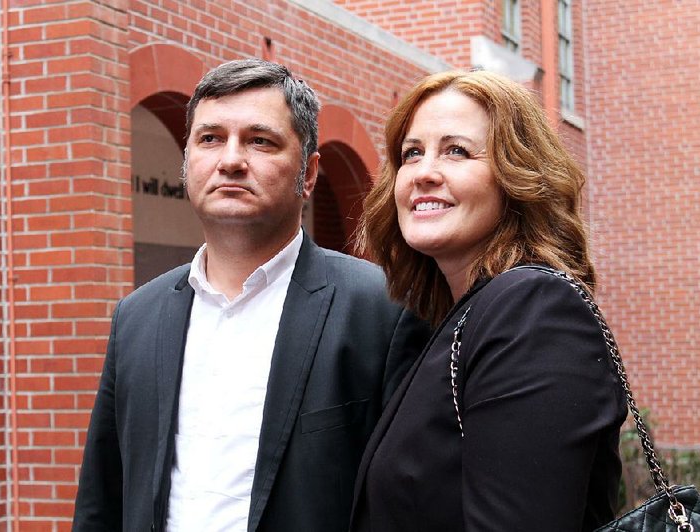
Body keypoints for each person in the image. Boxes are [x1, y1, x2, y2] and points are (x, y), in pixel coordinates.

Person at [72, 59, 431, 532]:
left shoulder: (383, 309)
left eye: (260, 140)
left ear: (308, 174)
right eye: (210, 138)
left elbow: (413, 504)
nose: (231, 159)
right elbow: (103, 495)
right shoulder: (138, 315)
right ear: (187, 164)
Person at [349, 70, 627, 531]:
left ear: (516, 176)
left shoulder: (534, 311)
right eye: (411, 154)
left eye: (456, 151)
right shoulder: (458, 318)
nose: (424, 173)